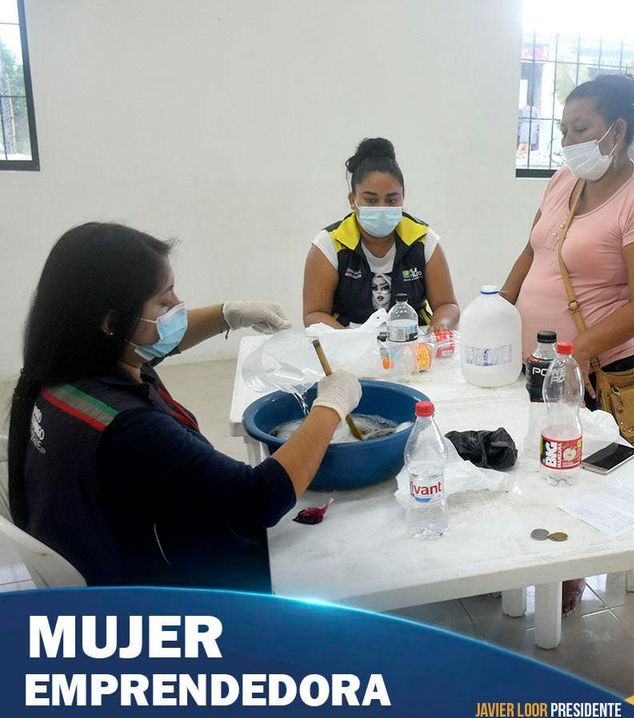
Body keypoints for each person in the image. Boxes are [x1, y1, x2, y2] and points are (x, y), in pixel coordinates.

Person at [7, 223, 362, 591]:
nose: (178, 307)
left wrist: (227, 314)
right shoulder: (130, 427)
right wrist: (331, 405)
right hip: (169, 592)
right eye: (164, 302)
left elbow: (158, 341)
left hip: (115, 551)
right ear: (112, 322)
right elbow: (260, 498)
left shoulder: (66, 373)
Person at [500, 74, 634, 615]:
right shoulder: (563, 181)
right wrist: (498, 308)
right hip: (536, 362)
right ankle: (523, 552)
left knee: (574, 473)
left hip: (592, 373)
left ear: (616, 131)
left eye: (580, 129)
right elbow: (532, 251)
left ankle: (570, 567)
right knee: (533, 460)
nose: (567, 141)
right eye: (564, 129)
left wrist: (572, 355)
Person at [303, 137, 459, 332]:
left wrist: (441, 325)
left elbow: (447, 305)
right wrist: (351, 342)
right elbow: (314, 314)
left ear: (403, 198)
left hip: (412, 342)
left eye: (391, 200)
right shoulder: (329, 245)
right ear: (352, 200)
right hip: (348, 342)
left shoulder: (423, 240)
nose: (382, 208)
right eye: (371, 200)